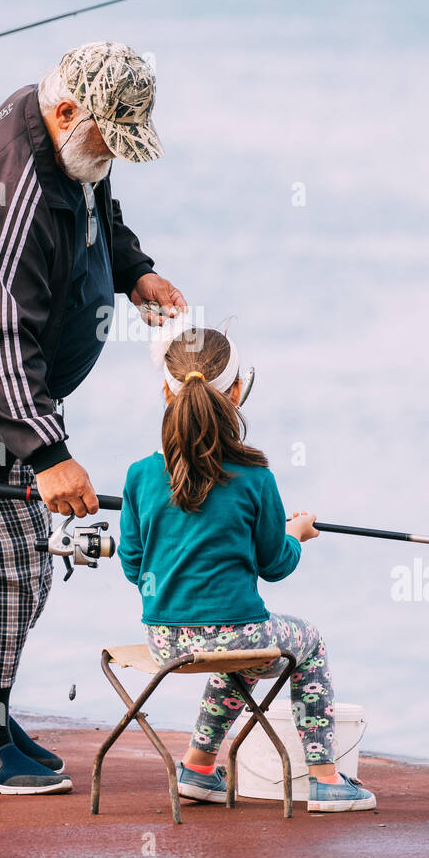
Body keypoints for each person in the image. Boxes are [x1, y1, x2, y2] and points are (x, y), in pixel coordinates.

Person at [0, 41, 186, 796]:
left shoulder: (63, 138)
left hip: (5, 392)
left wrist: (131, 267)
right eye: (110, 138)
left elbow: (95, 207)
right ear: (70, 111)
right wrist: (49, 455)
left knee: (10, 560)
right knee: (7, 568)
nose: (112, 154)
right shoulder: (12, 190)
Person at [117, 323, 376, 813]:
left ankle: (197, 767)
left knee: (235, 643)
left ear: (166, 391)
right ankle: (324, 778)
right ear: (237, 391)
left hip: (165, 641)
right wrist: (295, 535)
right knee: (304, 641)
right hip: (234, 637)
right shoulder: (256, 477)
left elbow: (134, 567)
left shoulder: (139, 475)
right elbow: (275, 565)